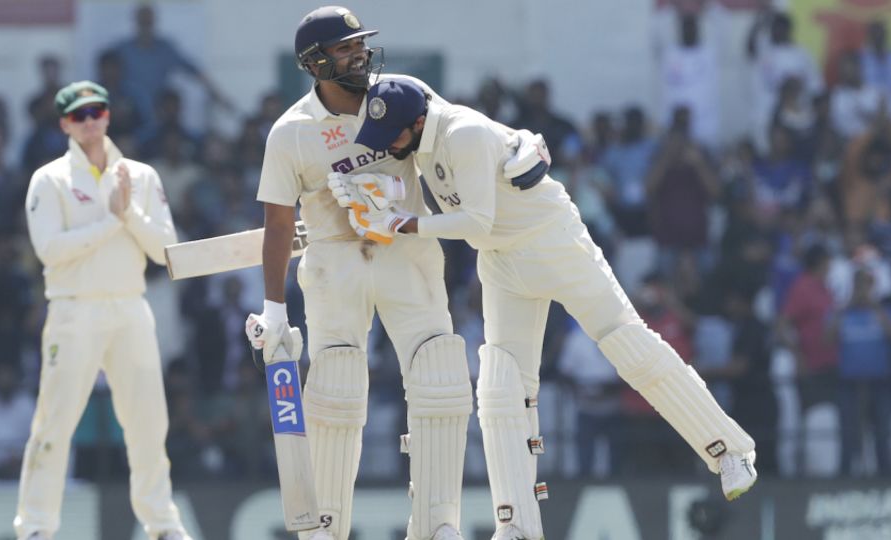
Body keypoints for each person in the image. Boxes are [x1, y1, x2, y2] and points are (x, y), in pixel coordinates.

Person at [347, 78, 758, 539]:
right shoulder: (419, 133)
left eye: (394, 136)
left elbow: (475, 221)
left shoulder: (463, 133)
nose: (390, 147)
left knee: (627, 344)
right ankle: (517, 525)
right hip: (501, 260)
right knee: (500, 385)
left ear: (418, 123)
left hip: (551, 241)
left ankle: (729, 451)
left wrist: (403, 223)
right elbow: (409, 93)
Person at [248, 7, 472, 540]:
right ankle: (324, 527)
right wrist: (274, 309)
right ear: (315, 63)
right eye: (345, 49)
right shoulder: (291, 133)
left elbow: (456, 133)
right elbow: (277, 225)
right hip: (334, 263)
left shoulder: (402, 92)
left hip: (406, 251)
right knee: (337, 386)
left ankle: (439, 523)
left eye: (359, 45)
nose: (360, 55)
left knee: (439, 371)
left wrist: (506, 147)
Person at [14, 80, 190, 540]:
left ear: (108, 115)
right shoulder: (50, 179)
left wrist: (128, 213)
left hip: (130, 305)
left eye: (96, 112)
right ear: (64, 124)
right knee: (53, 423)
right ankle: (35, 528)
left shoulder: (141, 176)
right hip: (74, 311)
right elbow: (49, 250)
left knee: (149, 423)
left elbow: (166, 249)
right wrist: (112, 220)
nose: (89, 122)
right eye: (78, 115)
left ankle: (162, 524)